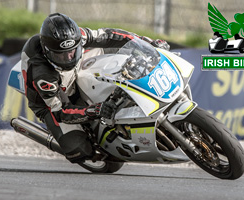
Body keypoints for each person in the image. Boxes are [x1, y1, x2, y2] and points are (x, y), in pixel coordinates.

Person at [21, 13, 170, 163]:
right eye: (61, 55)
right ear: (48, 52)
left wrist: (147, 42)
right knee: (78, 149)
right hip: (51, 99)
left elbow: (110, 35)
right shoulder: (42, 75)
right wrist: (95, 110)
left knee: (119, 52)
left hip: (79, 65)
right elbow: (61, 112)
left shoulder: (77, 37)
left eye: (71, 52)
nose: (67, 59)